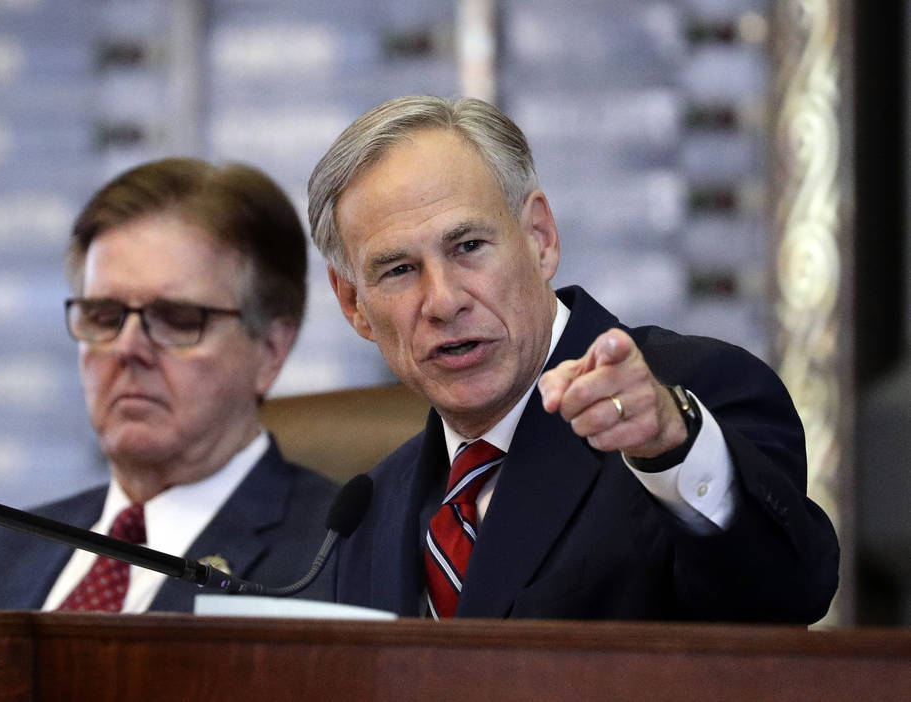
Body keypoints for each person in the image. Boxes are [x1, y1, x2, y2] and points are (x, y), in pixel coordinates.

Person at [307, 96, 839, 622]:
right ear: (354, 304)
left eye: (468, 246)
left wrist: (672, 449)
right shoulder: (366, 514)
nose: (444, 301)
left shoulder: (697, 401)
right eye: (399, 270)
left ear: (540, 237)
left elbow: (785, 597)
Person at [0, 158, 339, 611]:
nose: (127, 348)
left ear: (271, 350)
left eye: (177, 320)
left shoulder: (340, 561)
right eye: (104, 316)